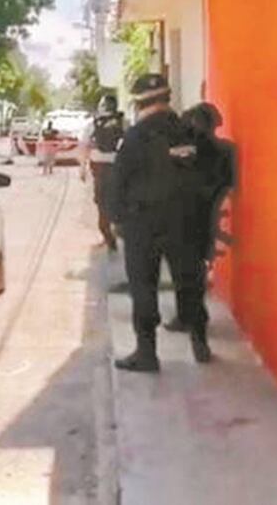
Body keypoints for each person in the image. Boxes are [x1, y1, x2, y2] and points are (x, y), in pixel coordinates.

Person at [112, 73, 208, 372]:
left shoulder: (135, 137)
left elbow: (117, 182)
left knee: (144, 285)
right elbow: (206, 177)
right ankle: (200, 340)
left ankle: (147, 352)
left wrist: (117, 219)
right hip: (185, 220)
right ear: (167, 99)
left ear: (139, 103)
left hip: (144, 223)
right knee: (189, 279)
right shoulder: (189, 132)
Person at [162, 102, 236, 334]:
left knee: (183, 272)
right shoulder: (225, 150)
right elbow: (228, 183)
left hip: (183, 218)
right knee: (196, 269)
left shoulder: (187, 152)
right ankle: (194, 315)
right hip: (207, 217)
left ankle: (190, 316)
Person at [80, 94, 125, 251]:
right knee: (118, 200)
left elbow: (84, 146)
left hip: (99, 168)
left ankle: (107, 234)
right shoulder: (122, 121)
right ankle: (114, 233)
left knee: (101, 203)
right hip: (118, 167)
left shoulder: (93, 123)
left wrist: (82, 168)